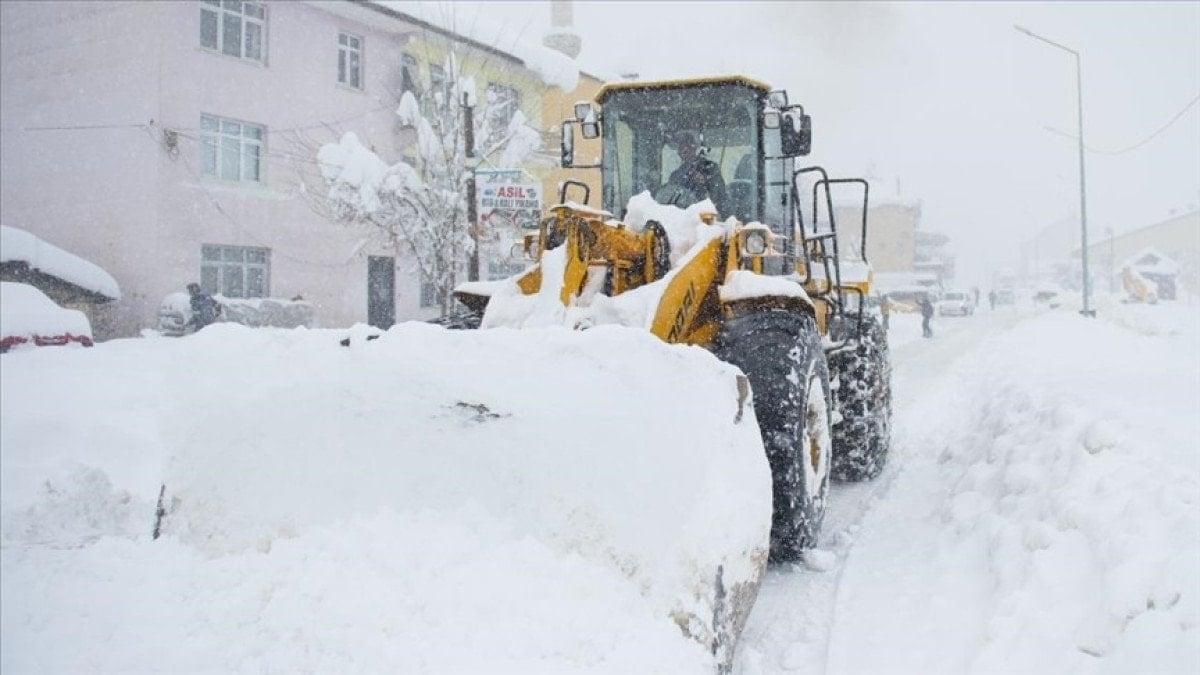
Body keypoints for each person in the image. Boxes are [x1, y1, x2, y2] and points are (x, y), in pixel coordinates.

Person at [662, 130, 729, 214]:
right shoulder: (675, 176)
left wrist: (704, 184)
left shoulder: (710, 169)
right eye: (681, 147)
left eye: (688, 146)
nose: (684, 150)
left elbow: (720, 198)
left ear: (695, 147)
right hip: (678, 219)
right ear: (679, 152)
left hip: (704, 219)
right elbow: (669, 198)